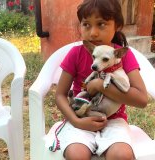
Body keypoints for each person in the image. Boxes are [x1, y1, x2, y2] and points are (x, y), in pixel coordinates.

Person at [55, 0, 148, 159]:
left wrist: (100, 85)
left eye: (101, 24)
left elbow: (141, 99)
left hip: (114, 121)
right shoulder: (75, 54)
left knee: (122, 155)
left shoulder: (122, 55)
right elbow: (60, 95)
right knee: (76, 154)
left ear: (117, 26)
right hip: (81, 118)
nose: (93, 33)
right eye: (86, 25)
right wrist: (77, 122)